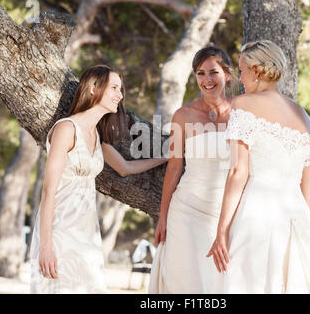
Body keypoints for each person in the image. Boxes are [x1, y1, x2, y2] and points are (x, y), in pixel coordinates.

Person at [206, 40, 310, 293]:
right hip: (294, 213)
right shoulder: (302, 115)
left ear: (257, 71)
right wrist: (296, 219)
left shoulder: (243, 105)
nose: (240, 78)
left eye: (242, 70)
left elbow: (238, 172)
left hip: (256, 211)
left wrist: (222, 230)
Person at [30, 65, 168, 293]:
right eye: (114, 87)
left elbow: (124, 168)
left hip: (87, 233)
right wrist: (46, 246)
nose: (120, 95)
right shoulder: (66, 129)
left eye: (120, 89)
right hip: (59, 231)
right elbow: (48, 192)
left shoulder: (96, 135)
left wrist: (165, 158)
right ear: (93, 88)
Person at [149, 46, 237, 293]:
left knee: (218, 282)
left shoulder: (243, 112)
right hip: (185, 211)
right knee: (184, 281)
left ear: (227, 74)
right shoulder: (183, 116)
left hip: (225, 212)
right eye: (200, 73)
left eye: (213, 72)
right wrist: (163, 216)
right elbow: (175, 168)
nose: (207, 80)